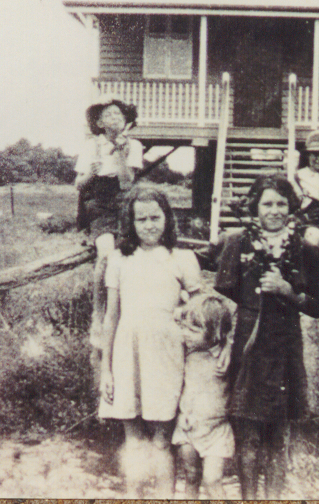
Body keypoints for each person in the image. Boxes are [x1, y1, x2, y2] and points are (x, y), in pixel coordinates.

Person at [196, 175, 319, 499]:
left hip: (285, 344)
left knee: (278, 434)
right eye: (267, 203)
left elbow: (317, 307)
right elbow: (226, 300)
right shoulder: (238, 243)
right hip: (248, 344)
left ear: (291, 207)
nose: (274, 210)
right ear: (255, 207)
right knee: (249, 433)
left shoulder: (306, 250)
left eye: (281, 203)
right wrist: (225, 342)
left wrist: (289, 292)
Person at [98, 187, 201, 497]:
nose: (149, 225)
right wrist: (106, 369)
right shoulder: (118, 259)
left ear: (168, 219)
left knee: (160, 437)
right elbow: (111, 317)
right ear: (130, 223)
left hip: (167, 355)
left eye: (155, 217)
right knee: (133, 437)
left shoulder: (182, 258)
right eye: (141, 219)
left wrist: (184, 312)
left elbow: (200, 312)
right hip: (128, 354)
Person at [74, 95, 145, 371]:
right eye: (108, 115)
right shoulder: (91, 146)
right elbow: (79, 185)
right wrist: (90, 173)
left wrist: (121, 155)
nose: (114, 118)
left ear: (126, 121)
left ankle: (128, 310)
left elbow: (128, 184)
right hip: (98, 202)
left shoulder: (134, 145)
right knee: (106, 254)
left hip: (124, 201)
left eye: (119, 114)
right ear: (100, 123)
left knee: (131, 254)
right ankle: (98, 313)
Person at [172, 294, 235, 499]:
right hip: (188, 427)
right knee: (191, 476)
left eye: (194, 330)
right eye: (185, 329)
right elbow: (175, 316)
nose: (186, 335)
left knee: (212, 480)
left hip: (216, 430)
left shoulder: (225, 358)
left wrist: (229, 345)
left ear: (214, 332)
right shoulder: (187, 352)